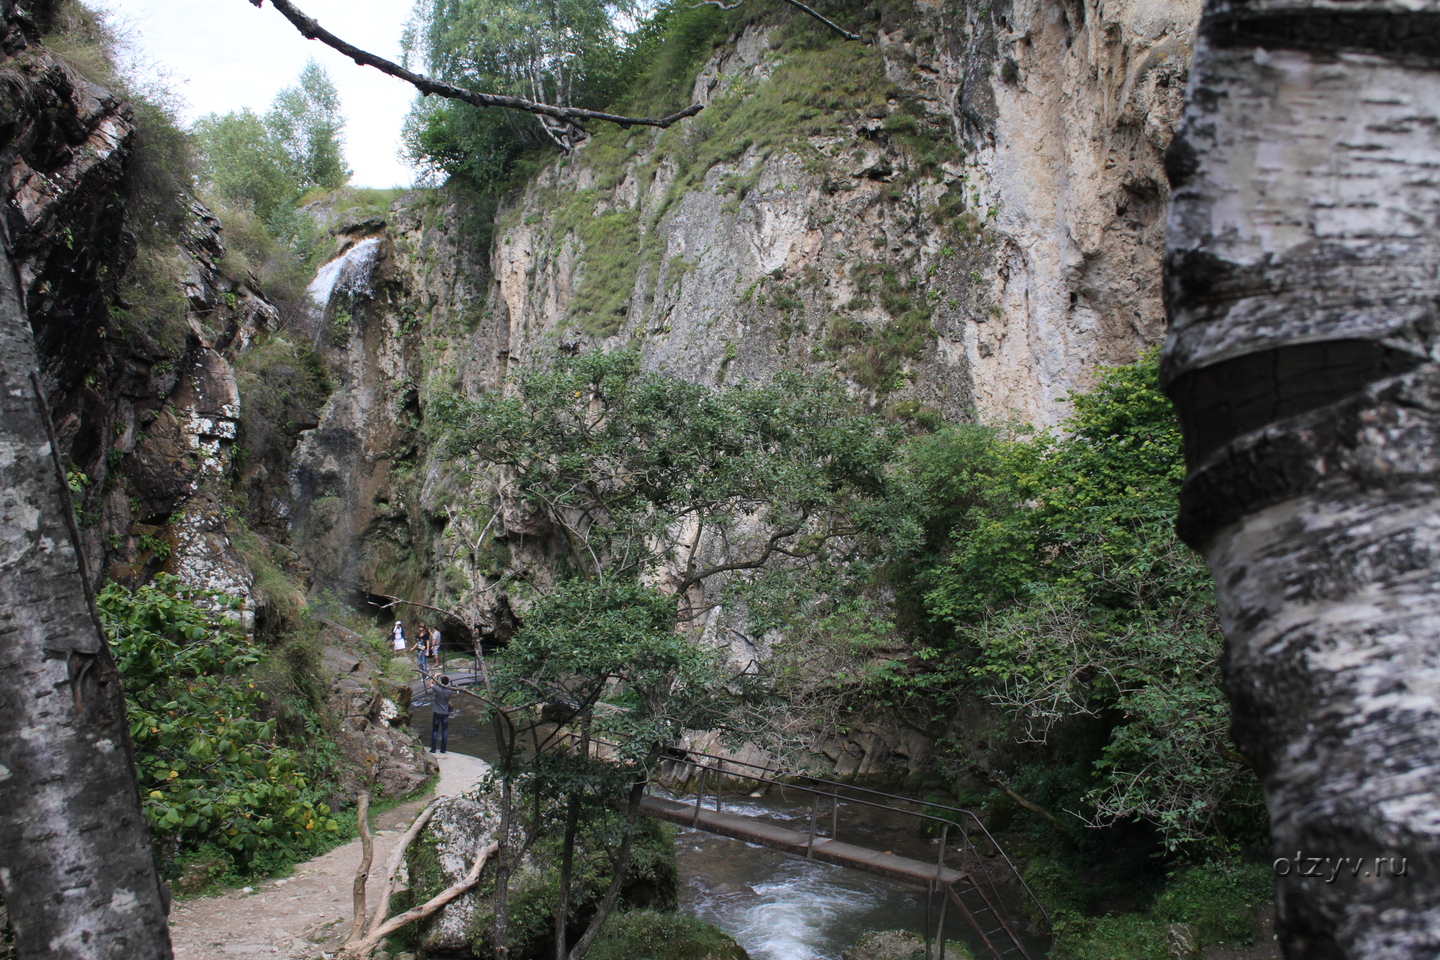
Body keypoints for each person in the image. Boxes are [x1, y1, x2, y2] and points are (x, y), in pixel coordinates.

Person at [430, 676, 453, 755]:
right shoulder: (450, 691)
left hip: (437, 712)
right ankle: (443, 749)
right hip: (445, 713)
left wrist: (434, 676)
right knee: (445, 731)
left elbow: (430, 684)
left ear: (441, 682)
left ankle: (433, 748)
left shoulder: (438, 689)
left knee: (435, 730)